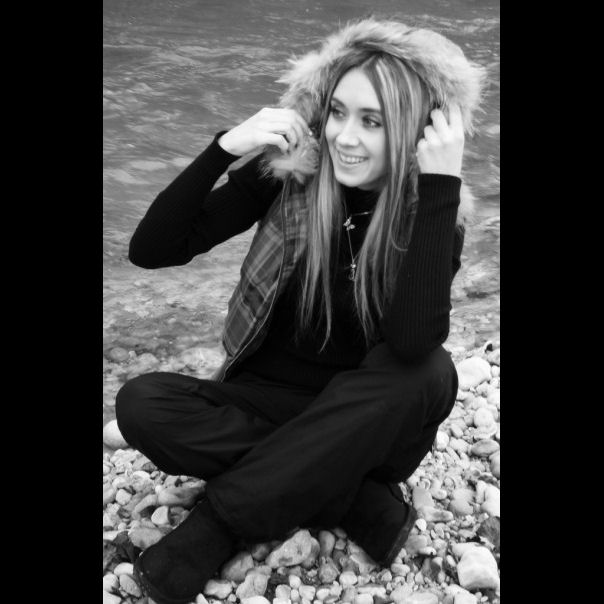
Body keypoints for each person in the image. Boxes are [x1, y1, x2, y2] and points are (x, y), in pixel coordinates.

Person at [115, 16, 486, 604]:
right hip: (267, 399)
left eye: (373, 122)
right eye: (337, 112)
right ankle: (352, 500)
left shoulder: (432, 211)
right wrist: (224, 148)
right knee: (141, 402)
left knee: (431, 370)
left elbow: (414, 344)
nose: (345, 137)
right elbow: (153, 249)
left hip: (368, 427)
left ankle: (217, 526)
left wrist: (442, 184)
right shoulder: (292, 175)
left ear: (419, 130)